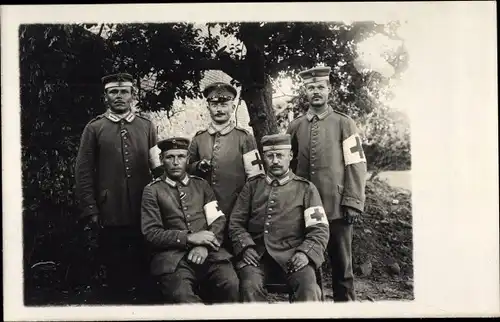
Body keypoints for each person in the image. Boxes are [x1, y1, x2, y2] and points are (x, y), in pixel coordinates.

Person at [74, 72, 161, 304]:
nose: (119, 96)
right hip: (110, 208)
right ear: (105, 96)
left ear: (133, 95)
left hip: (145, 208)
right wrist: (90, 208)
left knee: (145, 266)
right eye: (114, 92)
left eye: (124, 92)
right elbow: (83, 171)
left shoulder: (146, 126)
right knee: (115, 268)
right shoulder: (95, 128)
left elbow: (158, 167)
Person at [286, 66, 367, 302]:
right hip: (304, 209)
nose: (316, 91)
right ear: (305, 92)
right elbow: (287, 165)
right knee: (310, 267)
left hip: (336, 207)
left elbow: (356, 164)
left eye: (320, 87)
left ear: (329, 89)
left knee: (342, 269)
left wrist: (352, 201)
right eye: (311, 88)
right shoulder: (296, 126)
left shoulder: (344, 123)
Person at [228, 134, 330, 302]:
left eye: (280, 155)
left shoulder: (306, 189)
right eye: (270, 156)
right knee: (249, 286)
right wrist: (246, 248)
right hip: (257, 256)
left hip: (293, 256)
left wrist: (305, 253)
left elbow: (319, 229)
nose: (275, 161)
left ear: (290, 156)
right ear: (264, 158)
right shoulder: (252, 187)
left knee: (308, 289)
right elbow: (236, 223)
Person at [141, 137, 240, 304]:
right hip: (173, 260)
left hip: (210, 255)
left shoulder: (201, 185)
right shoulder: (153, 191)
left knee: (231, 285)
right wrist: (188, 237)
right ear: (161, 160)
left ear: (188, 159)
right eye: (170, 157)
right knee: (182, 296)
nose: (175, 162)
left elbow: (217, 221)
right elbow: (151, 233)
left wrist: (204, 245)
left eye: (180, 156)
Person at [187, 82, 265, 248]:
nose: (219, 109)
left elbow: (256, 177)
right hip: (205, 208)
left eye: (224, 104)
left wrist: (247, 205)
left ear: (232, 106)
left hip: (236, 207)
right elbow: (186, 170)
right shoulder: (198, 138)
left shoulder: (244, 138)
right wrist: (198, 166)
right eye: (214, 105)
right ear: (208, 107)